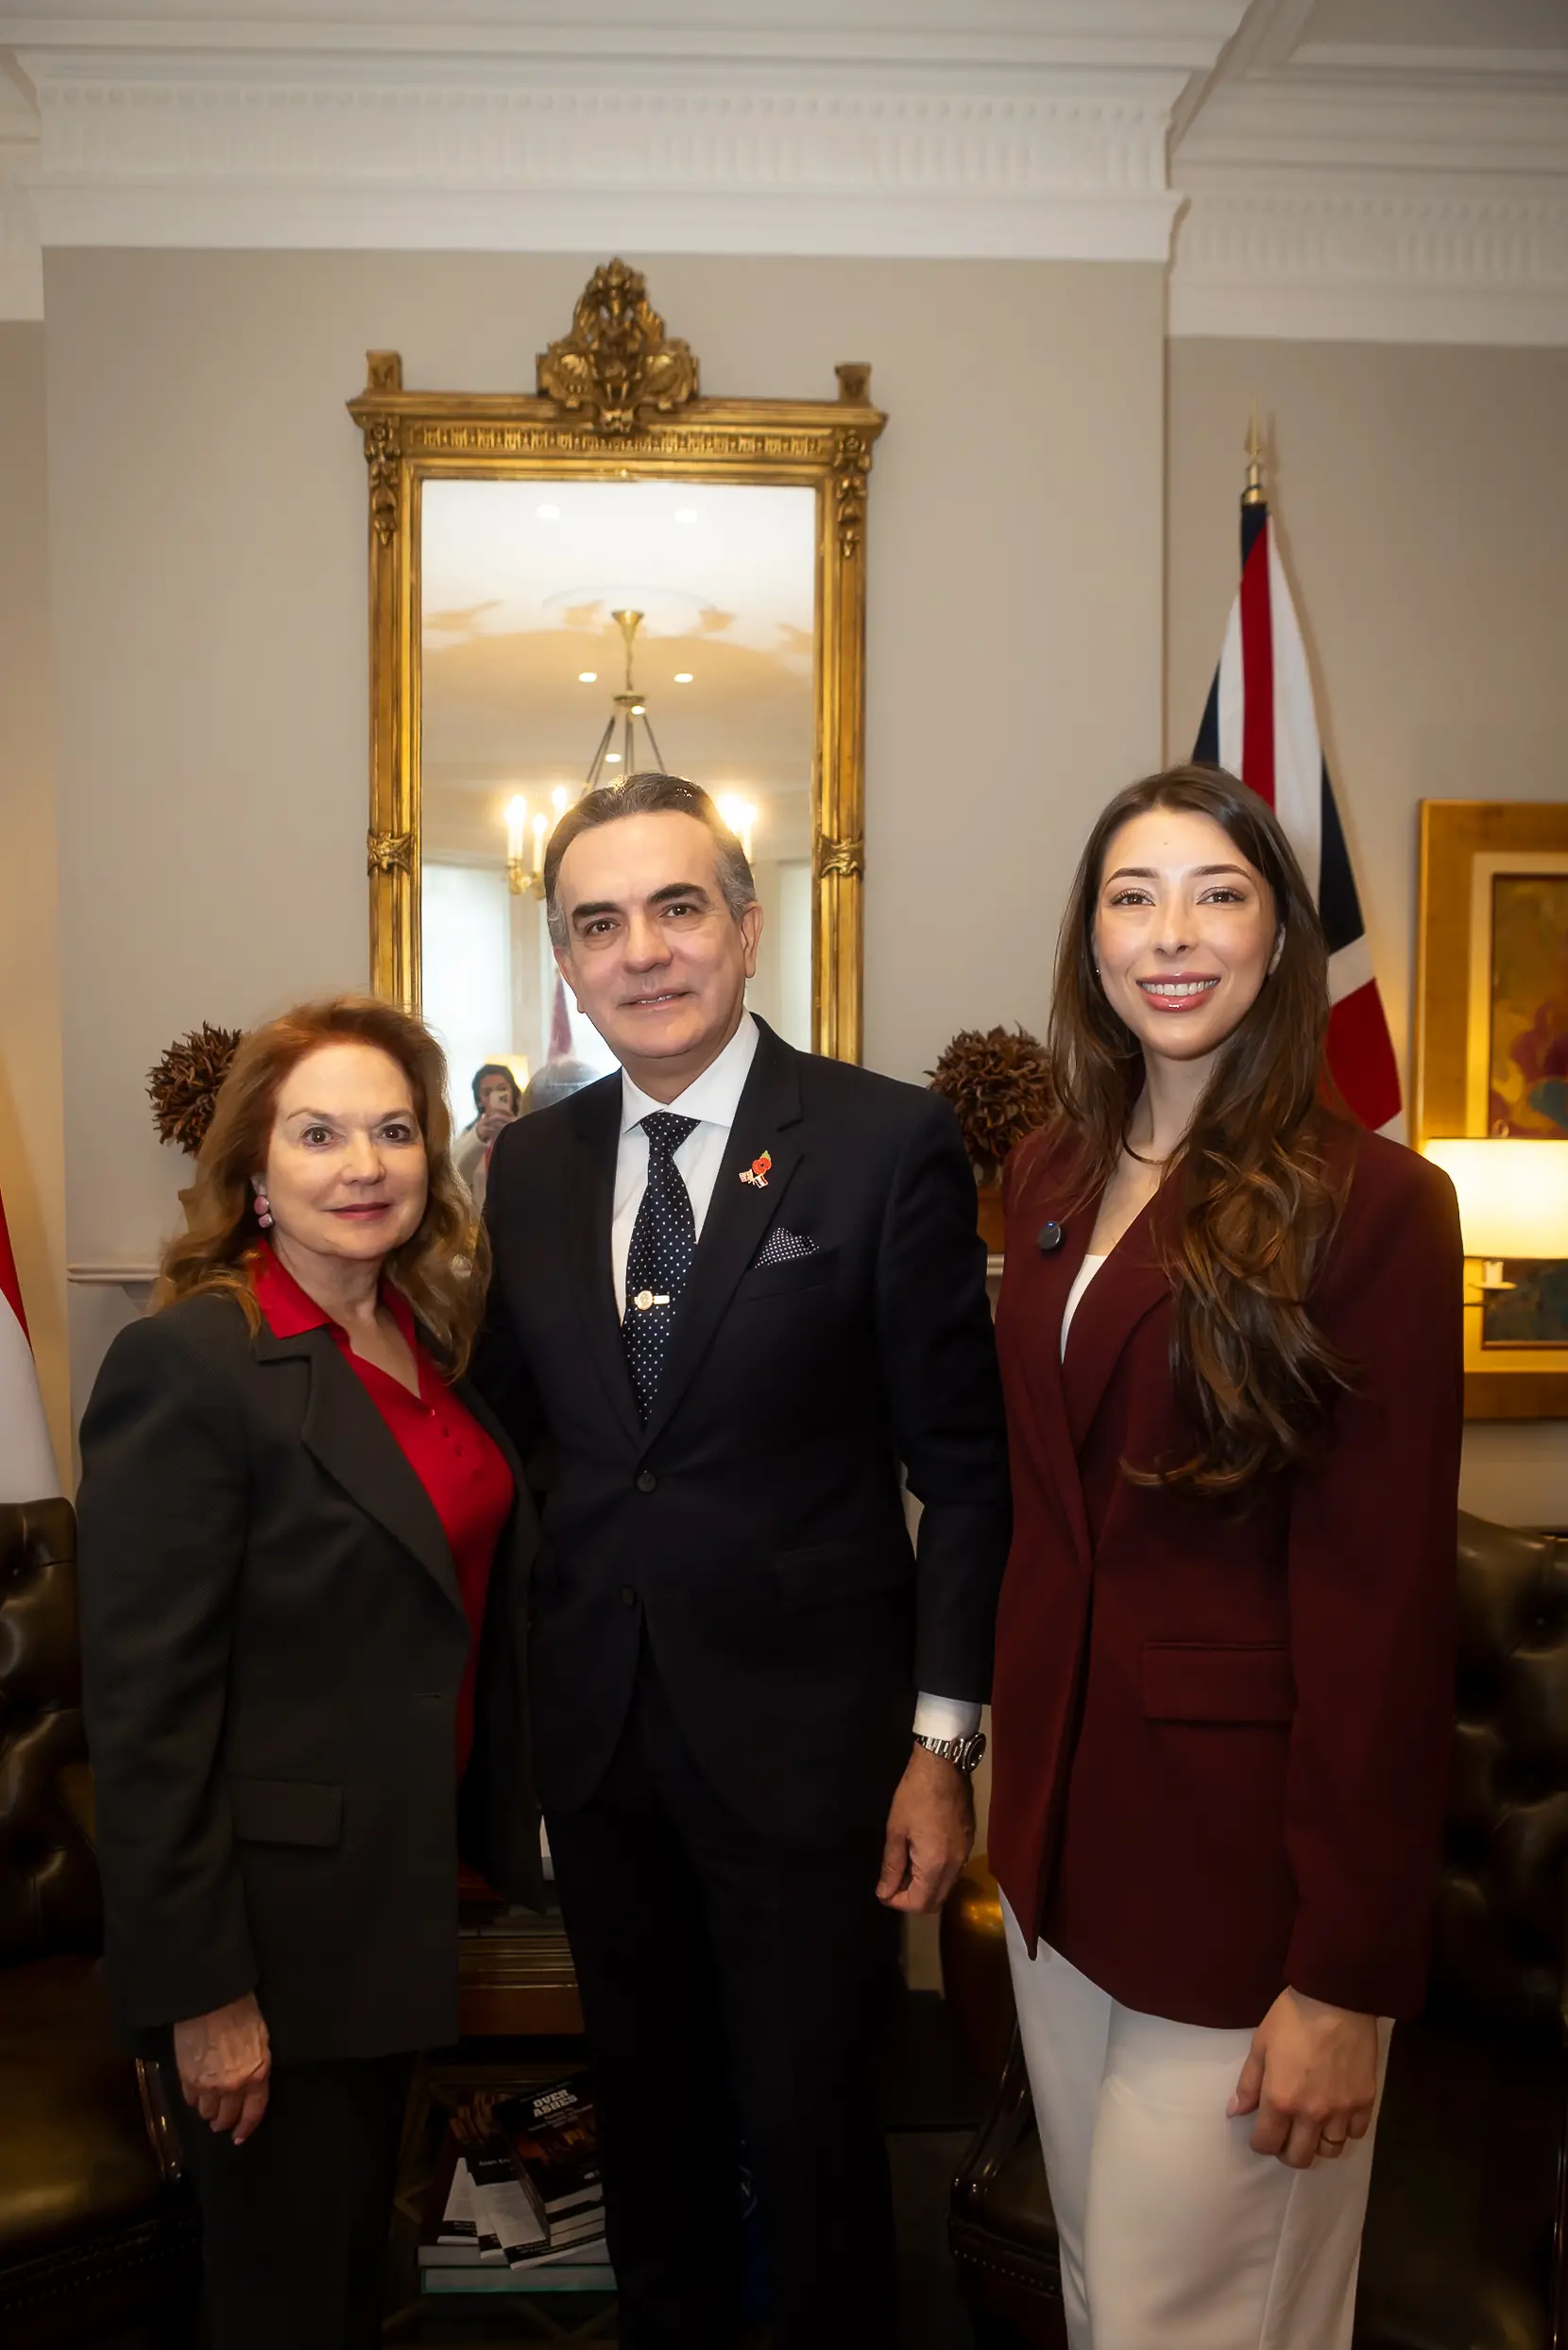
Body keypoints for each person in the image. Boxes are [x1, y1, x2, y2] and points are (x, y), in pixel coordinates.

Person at [473, 771, 1011, 2350]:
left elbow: (964, 1475)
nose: (642, 950)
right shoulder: (534, 1163)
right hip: (602, 1738)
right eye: (599, 921)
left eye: (677, 905)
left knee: (814, 2129)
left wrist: (939, 1743)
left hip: (810, 1753)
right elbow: (526, 1446)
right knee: (644, 2117)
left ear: (748, 926)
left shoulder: (882, 1138)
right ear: (566, 963)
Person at [989, 765, 1463, 2350]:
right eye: (1133, 895)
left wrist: (1344, 1974)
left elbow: (1381, 1613)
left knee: (1194, 2319)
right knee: (1103, 2293)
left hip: (1248, 1881)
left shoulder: (1375, 1202)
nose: (1171, 933)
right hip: (1061, 1852)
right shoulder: (1051, 1176)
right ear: (1092, 939)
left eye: (1218, 893)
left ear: (1278, 942)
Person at [76, 996, 539, 2350]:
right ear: (254, 1174)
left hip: (396, 1895)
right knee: (283, 2301)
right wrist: (205, 1995)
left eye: (395, 1131)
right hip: (268, 1939)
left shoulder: (422, 1342)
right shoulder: (193, 1366)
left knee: (353, 2272)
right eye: (319, 1132)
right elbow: (147, 1715)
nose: (364, 1165)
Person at [452, 1060, 520, 1211]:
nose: (493, 1096)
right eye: (487, 1092)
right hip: (482, 1224)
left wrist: (517, 1133)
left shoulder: (527, 1129)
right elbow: (454, 1176)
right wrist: (478, 1137)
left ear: (513, 1093)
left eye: (502, 1089)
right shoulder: (470, 1134)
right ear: (479, 1100)